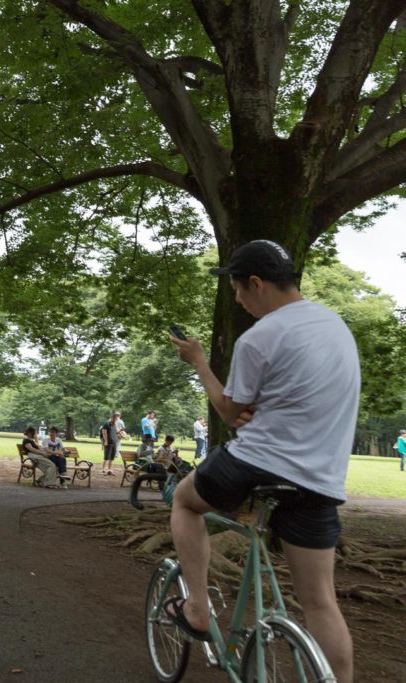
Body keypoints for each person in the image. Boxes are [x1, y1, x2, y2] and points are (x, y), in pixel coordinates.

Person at [169, 240, 359, 682]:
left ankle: (197, 608)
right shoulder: (335, 326)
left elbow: (229, 410)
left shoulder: (260, 337)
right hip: (321, 478)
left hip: (257, 462)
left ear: (255, 284)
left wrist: (199, 361)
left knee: (183, 501)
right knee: (320, 601)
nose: (237, 299)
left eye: (236, 289)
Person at [100, 411, 123, 476]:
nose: (116, 420)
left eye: (117, 419)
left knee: (112, 457)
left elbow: (117, 432)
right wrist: (106, 441)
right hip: (108, 442)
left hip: (114, 442)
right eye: (115, 419)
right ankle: (103, 470)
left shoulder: (114, 424)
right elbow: (104, 432)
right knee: (106, 457)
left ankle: (109, 470)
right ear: (112, 417)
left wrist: (121, 433)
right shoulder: (106, 424)